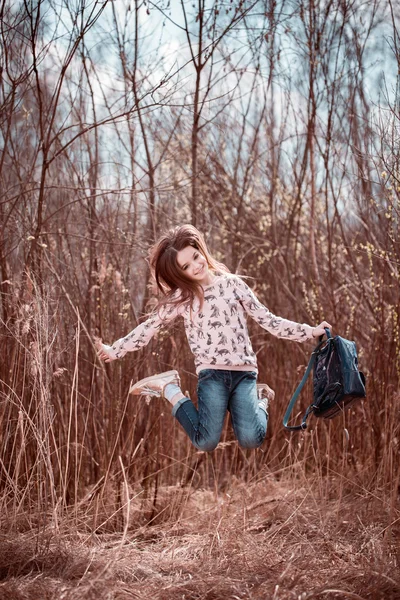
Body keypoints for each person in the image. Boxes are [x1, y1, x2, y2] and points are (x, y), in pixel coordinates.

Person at [95, 225, 331, 452]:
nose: (196, 266)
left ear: (202, 250)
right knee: (205, 441)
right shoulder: (183, 298)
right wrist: (115, 349)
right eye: (186, 267)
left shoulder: (233, 285)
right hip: (212, 375)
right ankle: (169, 388)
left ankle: (261, 399)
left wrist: (310, 331)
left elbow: (269, 320)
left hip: (245, 374)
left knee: (251, 439)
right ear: (180, 274)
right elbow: (150, 326)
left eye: (196, 257)